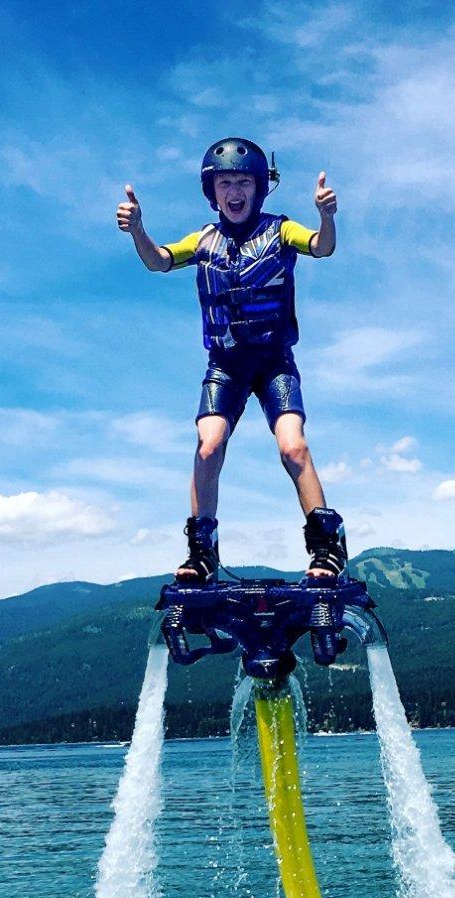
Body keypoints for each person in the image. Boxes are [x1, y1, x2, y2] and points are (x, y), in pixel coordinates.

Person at [116, 137, 347, 586]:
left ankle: (326, 545)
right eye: (225, 183)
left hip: (273, 359)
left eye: (243, 181)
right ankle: (202, 551)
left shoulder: (281, 231)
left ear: (259, 188)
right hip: (225, 363)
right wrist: (138, 230)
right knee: (208, 445)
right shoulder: (202, 239)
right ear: (212, 191)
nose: (234, 191)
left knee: (292, 447)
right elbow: (159, 261)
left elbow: (321, 247)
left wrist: (326, 216)